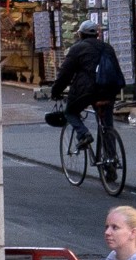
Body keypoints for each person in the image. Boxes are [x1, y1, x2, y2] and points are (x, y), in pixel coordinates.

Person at [51, 18, 125, 166]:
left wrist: (55, 91)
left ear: (80, 35)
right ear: (97, 35)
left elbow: (65, 74)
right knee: (107, 126)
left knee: (70, 112)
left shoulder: (77, 49)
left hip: (87, 91)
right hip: (109, 90)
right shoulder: (107, 48)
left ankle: (83, 134)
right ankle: (111, 162)